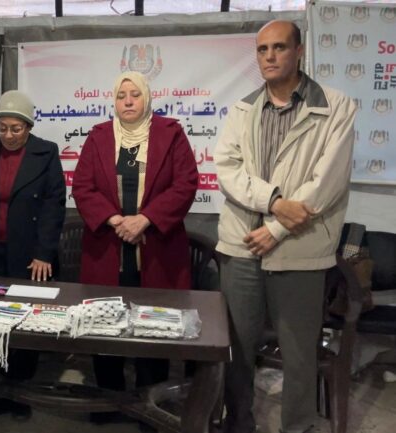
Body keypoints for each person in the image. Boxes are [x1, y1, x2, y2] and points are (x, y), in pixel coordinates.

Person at [214, 20, 357, 433]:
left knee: (298, 355)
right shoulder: (242, 109)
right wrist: (274, 202)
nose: (270, 56)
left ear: (299, 51)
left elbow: (327, 183)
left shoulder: (335, 106)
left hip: (300, 248)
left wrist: (276, 229)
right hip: (242, 245)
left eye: (279, 47)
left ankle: (297, 427)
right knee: (237, 350)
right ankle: (239, 424)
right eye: (262, 50)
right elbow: (228, 169)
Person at [71, 71, 198, 401]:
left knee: (154, 327)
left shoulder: (171, 133)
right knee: (104, 325)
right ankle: (108, 400)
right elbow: (82, 186)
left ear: (147, 97)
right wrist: (115, 220)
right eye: (121, 95)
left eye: (135, 94)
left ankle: (149, 402)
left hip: (157, 248)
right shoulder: (98, 136)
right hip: (107, 248)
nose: (128, 101)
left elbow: (185, 183)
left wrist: (145, 219)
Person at [0, 89, 66, 418]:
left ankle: (21, 393)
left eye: (16, 129)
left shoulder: (46, 153)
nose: (8, 135)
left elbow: (53, 206)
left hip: (30, 255)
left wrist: (44, 253)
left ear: (28, 127)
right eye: (2, 128)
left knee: (24, 321)